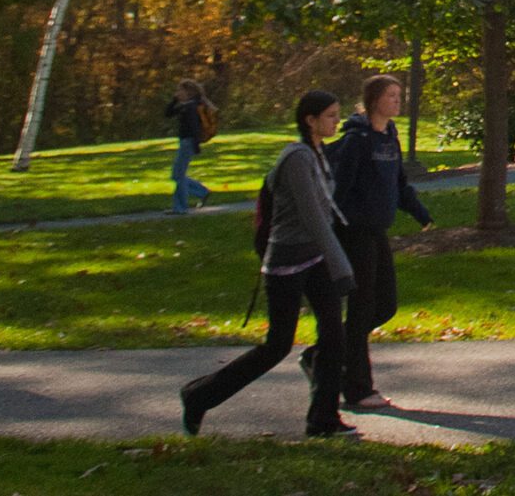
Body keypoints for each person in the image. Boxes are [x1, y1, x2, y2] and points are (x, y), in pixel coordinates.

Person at [180, 89, 355, 437]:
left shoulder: (319, 154)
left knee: (335, 336)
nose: (338, 120)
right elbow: (311, 217)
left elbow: (327, 209)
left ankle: (323, 419)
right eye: (332, 115)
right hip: (287, 262)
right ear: (311, 120)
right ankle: (199, 395)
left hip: (316, 258)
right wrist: (342, 267)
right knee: (277, 346)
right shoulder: (297, 159)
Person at [306, 74, 434, 412]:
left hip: (377, 231)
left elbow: (399, 184)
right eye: (391, 96)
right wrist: (331, 232)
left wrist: (420, 213)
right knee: (362, 309)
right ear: (374, 100)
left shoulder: (389, 137)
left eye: (399, 95)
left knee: (385, 306)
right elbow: (338, 191)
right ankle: (358, 390)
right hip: (353, 232)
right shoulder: (356, 141)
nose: (397, 100)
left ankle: (320, 355)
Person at [164, 79, 217, 214]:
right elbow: (168, 114)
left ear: (188, 92)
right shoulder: (186, 105)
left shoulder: (191, 107)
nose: (177, 93)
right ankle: (202, 192)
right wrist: (174, 100)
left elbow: (194, 128)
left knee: (178, 176)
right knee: (177, 175)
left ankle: (180, 208)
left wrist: (195, 144)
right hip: (185, 142)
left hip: (188, 142)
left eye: (179, 90)